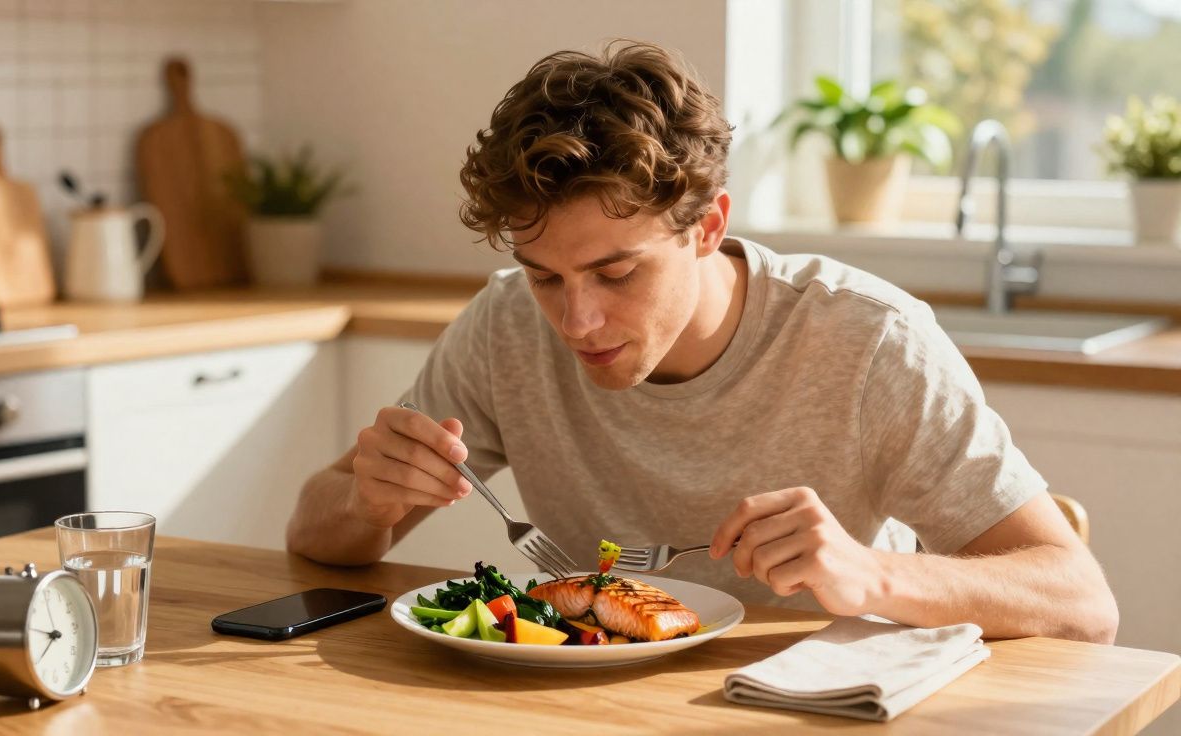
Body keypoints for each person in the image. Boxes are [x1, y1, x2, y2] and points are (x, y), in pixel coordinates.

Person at [286, 41, 1118, 643]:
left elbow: (1082, 601)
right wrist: (371, 499)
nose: (576, 322)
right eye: (547, 276)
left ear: (707, 226)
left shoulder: (868, 342)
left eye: (616, 274)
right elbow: (314, 536)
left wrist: (871, 575)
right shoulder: (505, 323)